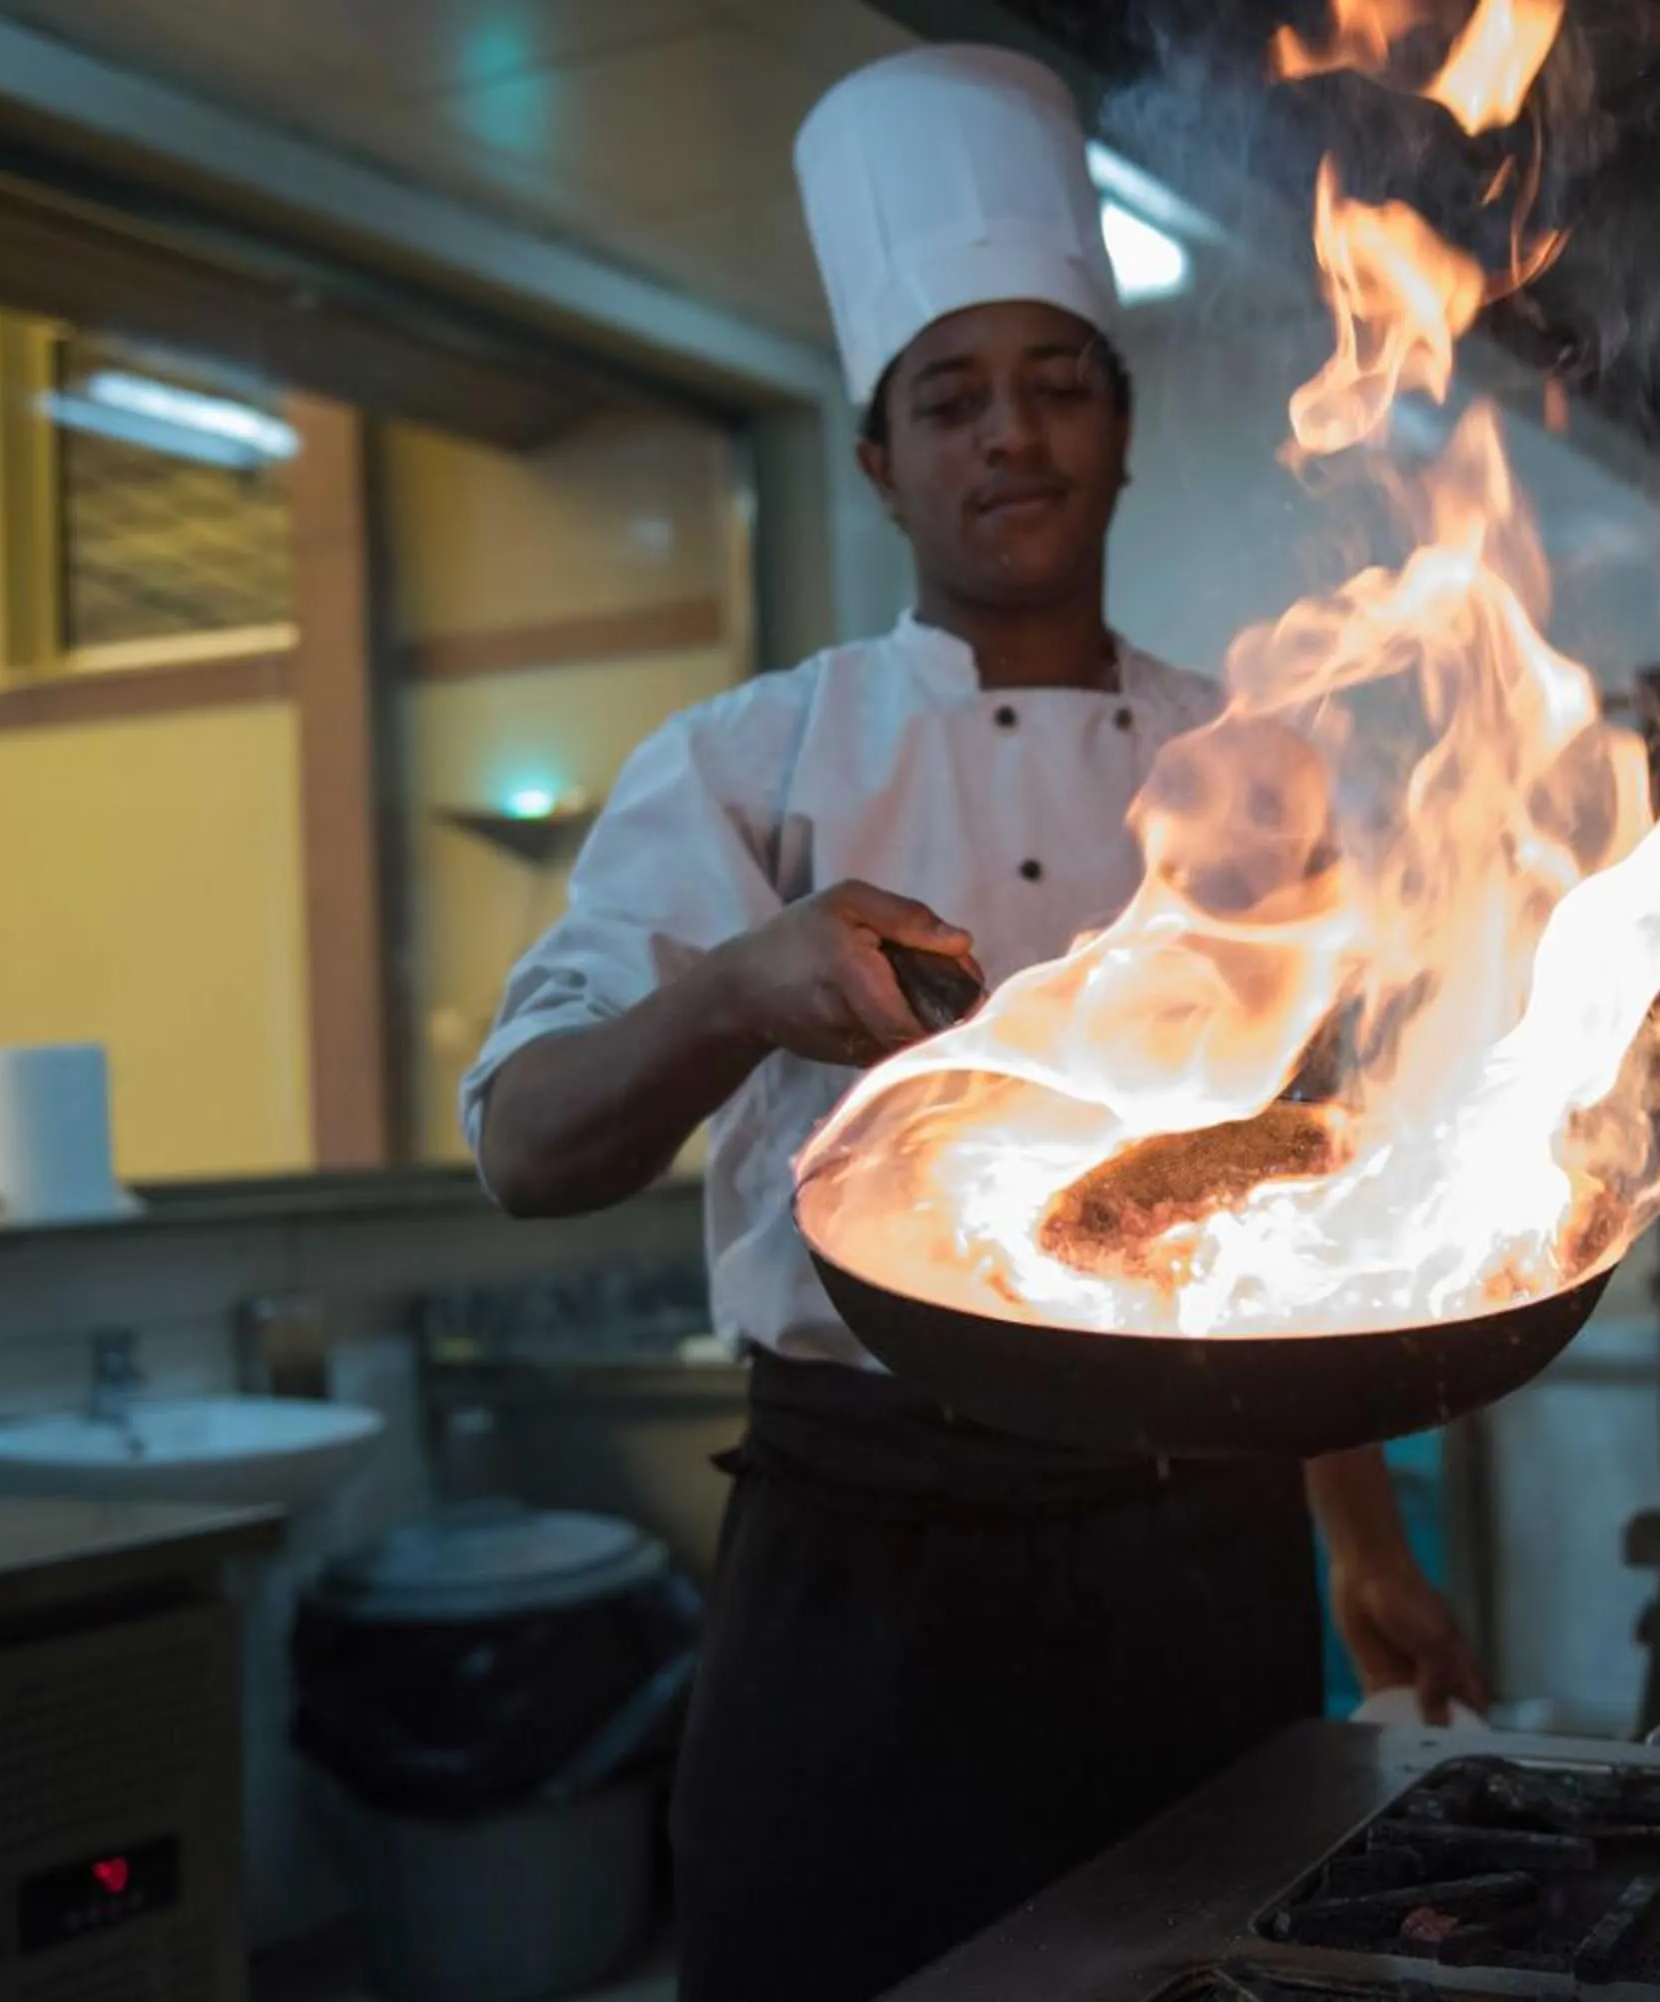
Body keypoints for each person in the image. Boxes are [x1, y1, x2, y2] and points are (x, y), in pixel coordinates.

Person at [464, 46, 1486, 2002]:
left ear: (1121, 424)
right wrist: (745, 982)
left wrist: (1355, 1536)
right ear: (879, 459)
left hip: (1201, 1546)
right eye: (952, 399)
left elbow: (1305, 1190)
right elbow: (526, 1139)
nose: (1007, 437)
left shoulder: (1244, 765)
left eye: (1054, 383)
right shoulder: (753, 761)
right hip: (866, 1560)